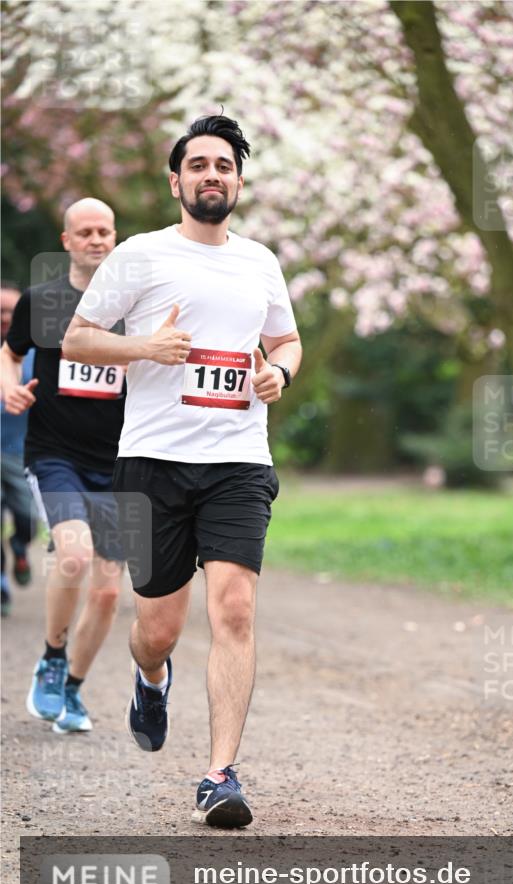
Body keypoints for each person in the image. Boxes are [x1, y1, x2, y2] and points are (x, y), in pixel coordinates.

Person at [62, 112, 302, 827]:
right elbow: (78, 336)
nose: (211, 176)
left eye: (223, 166)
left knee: (233, 609)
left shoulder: (259, 261)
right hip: (153, 463)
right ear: (177, 180)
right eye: (198, 165)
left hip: (237, 461)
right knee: (157, 627)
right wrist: (145, 350)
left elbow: (285, 340)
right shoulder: (139, 256)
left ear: (238, 179)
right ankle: (148, 676)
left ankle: (220, 774)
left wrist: (279, 376)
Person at [1, 199, 125, 734]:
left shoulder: (136, 306)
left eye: (105, 231)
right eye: (86, 231)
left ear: (115, 238)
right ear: (68, 240)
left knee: (108, 591)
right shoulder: (43, 300)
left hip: (122, 462)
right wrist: (9, 386)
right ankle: (52, 656)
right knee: (72, 557)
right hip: (56, 454)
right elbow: (9, 352)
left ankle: (73, 689)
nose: (96, 239)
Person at [1, 282, 37, 616]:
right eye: (0, 311)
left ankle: (20, 545)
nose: (6, 317)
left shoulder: (33, 353)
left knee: (27, 517)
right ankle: (1, 584)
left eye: (12, 311)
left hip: (20, 452)